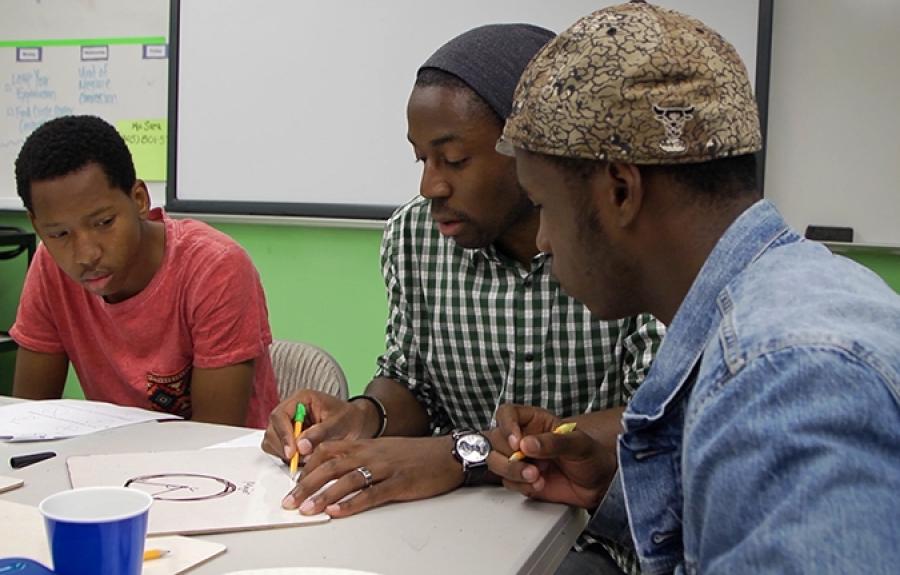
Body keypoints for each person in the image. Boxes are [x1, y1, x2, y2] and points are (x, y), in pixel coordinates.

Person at [491, 2, 900, 573]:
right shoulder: (796, 298)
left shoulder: (784, 378)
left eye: (543, 207)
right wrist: (612, 485)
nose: (542, 241)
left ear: (620, 192)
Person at [262, 23, 663, 573]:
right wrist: (364, 415)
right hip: (449, 523)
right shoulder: (414, 235)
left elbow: (656, 419)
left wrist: (461, 454)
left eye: (453, 160)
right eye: (421, 159)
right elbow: (410, 378)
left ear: (533, 153)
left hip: (597, 534)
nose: (431, 186)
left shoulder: (618, 244)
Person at [11, 115, 278, 428]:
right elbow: (30, 421)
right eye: (59, 234)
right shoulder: (50, 268)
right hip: (108, 464)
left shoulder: (215, 269)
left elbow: (213, 438)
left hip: (223, 469)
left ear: (138, 199)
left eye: (103, 223)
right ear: (37, 226)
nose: (86, 255)